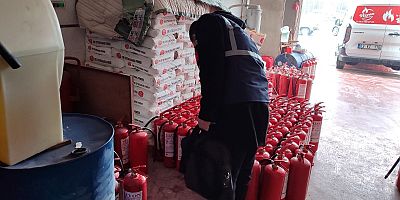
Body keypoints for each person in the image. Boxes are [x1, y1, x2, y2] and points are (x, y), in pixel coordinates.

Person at [189, 10, 270, 200]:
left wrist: (206, 116)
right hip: (260, 106)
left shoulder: (206, 25)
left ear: (195, 36)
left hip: (238, 105)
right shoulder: (238, 33)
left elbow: (211, 73)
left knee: (224, 173)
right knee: (242, 171)